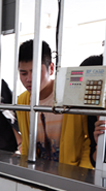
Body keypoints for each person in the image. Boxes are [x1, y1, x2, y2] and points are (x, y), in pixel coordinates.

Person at [16, 40, 92, 168]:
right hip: (37, 175)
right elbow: (27, 141)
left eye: (34, 72)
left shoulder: (71, 95)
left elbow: (88, 140)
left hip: (71, 175)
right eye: (23, 73)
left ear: (51, 68)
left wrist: (82, 173)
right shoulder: (22, 101)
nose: (28, 79)